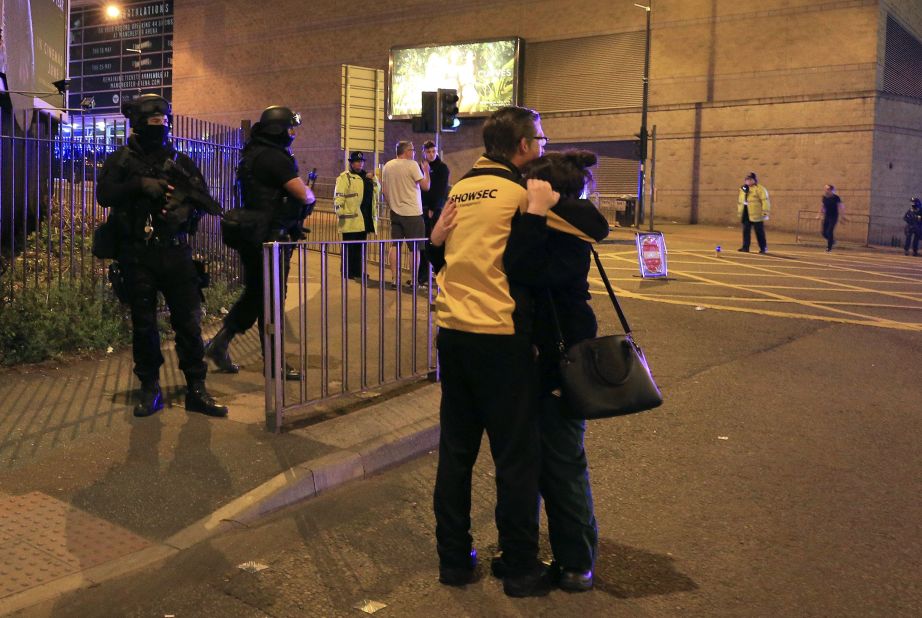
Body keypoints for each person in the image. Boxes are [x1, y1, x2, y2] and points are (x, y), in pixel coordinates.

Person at [425, 106, 607, 598]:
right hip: (501, 340)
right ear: (524, 147)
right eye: (541, 140)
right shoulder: (522, 195)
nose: (545, 147)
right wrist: (537, 209)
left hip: (453, 335)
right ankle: (522, 567)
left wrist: (432, 246)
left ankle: (453, 561)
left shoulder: (460, 188)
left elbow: (450, 253)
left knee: (456, 455)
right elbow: (588, 229)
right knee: (515, 459)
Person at [503, 151, 609, 592]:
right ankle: (539, 550)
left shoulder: (564, 229)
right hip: (536, 358)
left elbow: (524, 267)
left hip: (560, 359)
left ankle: (577, 560)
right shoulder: (554, 222)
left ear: (548, 191)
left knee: (563, 462)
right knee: (535, 461)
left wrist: (533, 214)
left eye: (529, 185)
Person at [96, 94, 227, 418]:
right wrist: (140, 184)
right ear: (140, 123)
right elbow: (105, 195)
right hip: (136, 255)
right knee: (143, 326)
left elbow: (204, 200)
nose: (160, 127)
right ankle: (150, 388)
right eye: (154, 122)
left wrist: (183, 212)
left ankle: (196, 388)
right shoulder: (121, 160)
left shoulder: (180, 161)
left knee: (188, 323)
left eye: (163, 122)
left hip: (176, 252)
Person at [204, 105, 315, 378]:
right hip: (271, 238)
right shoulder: (275, 158)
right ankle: (275, 362)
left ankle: (220, 343)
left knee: (256, 294)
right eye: (290, 128)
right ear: (278, 129)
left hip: (255, 235)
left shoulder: (253, 154)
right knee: (273, 300)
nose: (293, 133)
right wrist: (307, 197)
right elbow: (304, 195)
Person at [381, 140, 429, 288]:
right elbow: (426, 186)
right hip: (413, 213)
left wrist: (392, 205)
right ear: (407, 151)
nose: (414, 153)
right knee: (414, 248)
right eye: (413, 150)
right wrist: (426, 170)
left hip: (395, 212)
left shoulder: (388, 166)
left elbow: (384, 190)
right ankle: (414, 280)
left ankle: (395, 278)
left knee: (395, 245)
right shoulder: (412, 165)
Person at [334, 151, 379, 280]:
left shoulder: (367, 177)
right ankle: (347, 272)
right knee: (349, 248)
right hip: (349, 219)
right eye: (357, 161)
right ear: (351, 163)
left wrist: (374, 179)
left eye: (361, 161)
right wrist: (340, 211)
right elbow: (339, 196)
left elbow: (377, 191)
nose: (360, 163)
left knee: (360, 248)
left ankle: (358, 272)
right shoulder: (345, 177)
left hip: (363, 218)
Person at [417, 140, 449, 287]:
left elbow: (440, 190)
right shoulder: (420, 166)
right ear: (424, 152)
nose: (431, 154)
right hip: (421, 208)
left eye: (433, 151)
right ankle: (422, 276)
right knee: (423, 244)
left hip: (433, 210)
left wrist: (434, 208)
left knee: (435, 243)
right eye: (428, 152)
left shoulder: (442, 168)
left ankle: (438, 274)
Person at [737, 171, 770, 253]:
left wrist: (765, 212)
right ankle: (745, 247)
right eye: (747, 179)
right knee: (746, 231)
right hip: (746, 213)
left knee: (759, 232)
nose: (748, 181)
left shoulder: (760, 189)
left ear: (754, 180)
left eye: (750, 179)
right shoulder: (743, 188)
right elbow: (740, 201)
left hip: (757, 214)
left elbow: (765, 201)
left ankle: (763, 248)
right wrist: (740, 212)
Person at [821, 184, 845, 252]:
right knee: (823, 233)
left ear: (831, 190)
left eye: (827, 189)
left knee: (830, 231)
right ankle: (832, 241)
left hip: (834, 216)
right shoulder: (824, 197)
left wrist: (843, 216)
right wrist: (819, 214)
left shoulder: (836, 197)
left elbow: (841, 206)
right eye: (825, 189)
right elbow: (823, 206)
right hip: (827, 216)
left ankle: (829, 247)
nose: (826, 190)